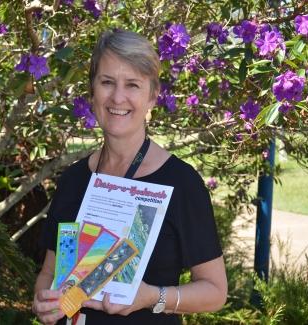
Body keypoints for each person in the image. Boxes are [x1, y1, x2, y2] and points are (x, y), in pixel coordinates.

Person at [32, 29, 227, 325]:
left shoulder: (181, 183)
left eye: (133, 85)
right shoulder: (73, 179)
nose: (118, 97)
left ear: (152, 97)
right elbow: (49, 272)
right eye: (107, 82)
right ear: (92, 91)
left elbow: (215, 291)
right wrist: (44, 300)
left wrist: (152, 297)